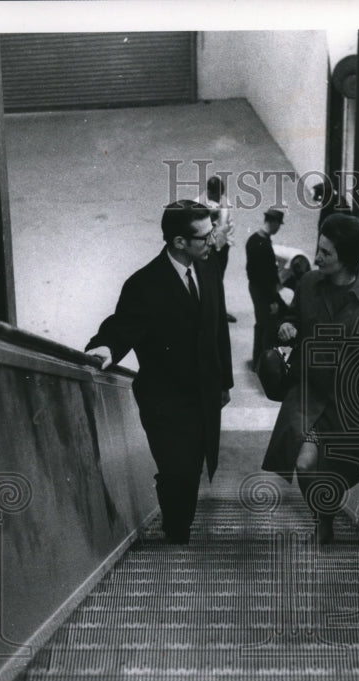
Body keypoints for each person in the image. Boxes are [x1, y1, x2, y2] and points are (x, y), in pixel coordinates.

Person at [85, 200, 233, 545]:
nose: (212, 242)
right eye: (204, 237)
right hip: (164, 400)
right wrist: (104, 347)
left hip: (203, 395)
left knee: (192, 466)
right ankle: (176, 532)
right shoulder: (144, 284)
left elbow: (217, 332)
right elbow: (120, 327)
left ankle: (179, 525)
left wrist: (224, 382)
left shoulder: (208, 270)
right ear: (179, 242)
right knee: (175, 468)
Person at [262, 213, 359, 543]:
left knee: (341, 470)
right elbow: (293, 317)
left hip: (346, 401)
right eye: (318, 248)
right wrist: (288, 327)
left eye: (326, 253)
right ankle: (322, 517)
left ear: (347, 259)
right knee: (306, 463)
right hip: (308, 390)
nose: (317, 257)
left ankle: (326, 511)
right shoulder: (309, 283)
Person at [245, 207, 285, 370]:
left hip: (255, 288)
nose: (278, 228)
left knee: (261, 323)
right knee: (268, 326)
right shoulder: (264, 245)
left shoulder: (253, 239)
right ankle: (264, 363)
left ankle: (257, 361)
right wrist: (272, 300)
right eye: (279, 225)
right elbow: (265, 277)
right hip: (264, 291)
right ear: (274, 223)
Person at [204, 175, 237, 322]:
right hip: (206, 247)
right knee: (204, 279)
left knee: (218, 279)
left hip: (222, 247)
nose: (218, 197)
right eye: (215, 194)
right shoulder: (199, 202)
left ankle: (218, 312)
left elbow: (226, 226)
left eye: (220, 194)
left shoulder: (225, 203)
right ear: (209, 192)